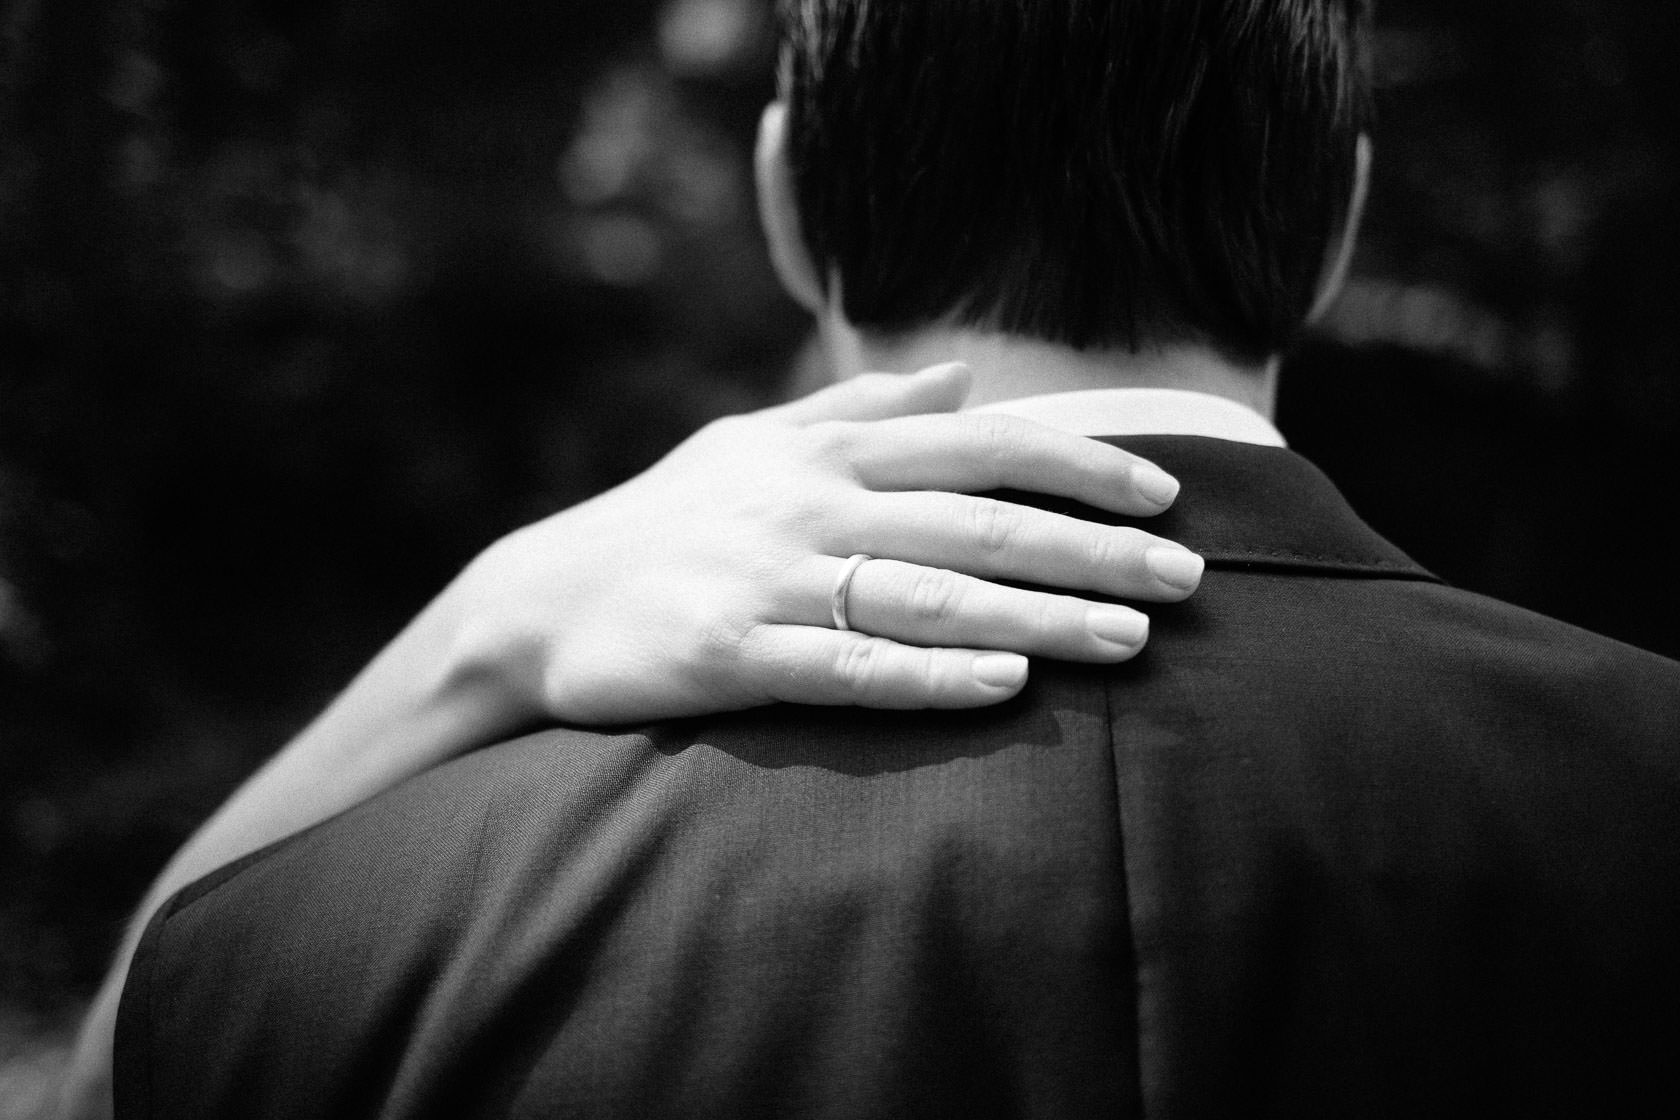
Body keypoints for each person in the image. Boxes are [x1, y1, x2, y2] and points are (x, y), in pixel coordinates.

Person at [103, 0, 1680, 1117]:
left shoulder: (316, 952)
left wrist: (488, 625)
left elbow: (107, 1073)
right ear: (1339, 219)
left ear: (790, 205)